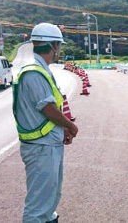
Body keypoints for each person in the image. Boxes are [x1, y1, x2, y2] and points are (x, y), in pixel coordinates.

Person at [13, 22, 79, 223]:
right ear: (53, 46)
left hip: (48, 143)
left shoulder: (42, 70)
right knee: (38, 207)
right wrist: (70, 125)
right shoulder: (34, 72)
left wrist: (62, 128)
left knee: (49, 200)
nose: (59, 50)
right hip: (41, 147)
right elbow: (48, 108)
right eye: (59, 46)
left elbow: (52, 106)